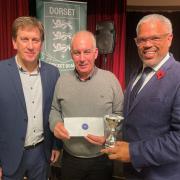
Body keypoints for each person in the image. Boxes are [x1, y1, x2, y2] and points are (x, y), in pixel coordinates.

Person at [101, 14, 180, 180]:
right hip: (132, 173)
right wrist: (111, 137)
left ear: (169, 39)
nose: (147, 45)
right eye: (142, 40)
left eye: (155, 38)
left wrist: (133, 152)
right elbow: (135, 122)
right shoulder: (137, 73)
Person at [49, 30, 124, 180]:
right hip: (70, 159)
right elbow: (54, 110)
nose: (82, 58)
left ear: (95, 53)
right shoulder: (62, 81)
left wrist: (109, 136)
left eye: (87, 52)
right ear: (71, 54)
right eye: (77, 53)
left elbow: (120, 114)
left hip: (102, 158)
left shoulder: (111, 80)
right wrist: (55, 124)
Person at [0, 16, 62, 180]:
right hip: (9, 155)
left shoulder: (53, 73)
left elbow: (55, 111)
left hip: (41, 154)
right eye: (24, 39)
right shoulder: (1, 72)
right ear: (14, 42)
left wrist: (56, 145)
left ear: (41, 44)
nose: (30, 46)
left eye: (35, 40)